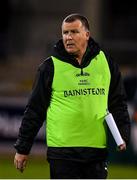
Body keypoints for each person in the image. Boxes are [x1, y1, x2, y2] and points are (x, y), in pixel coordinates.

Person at [14, 13, 130, 179]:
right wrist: (22, 149)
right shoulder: (49, 67)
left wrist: (123, 135)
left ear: (87, 35)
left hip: (96, 151)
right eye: (65, 33)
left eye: (74, 32)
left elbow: (118, 103)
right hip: (62, 153)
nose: (68, 37)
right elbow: (34, 110)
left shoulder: (107, 63)